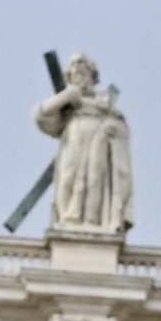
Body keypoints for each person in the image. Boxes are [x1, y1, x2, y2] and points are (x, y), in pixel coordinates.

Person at [36, 53, 133, 234]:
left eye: (85, 72)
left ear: (93, 77)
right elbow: (40, 115)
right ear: (69, 77)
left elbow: (120, 125)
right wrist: (65, 96)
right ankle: (67, 218)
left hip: (99, 141)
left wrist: (112, 126)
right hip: (73, 140)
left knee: (95, 179)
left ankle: (92, 221)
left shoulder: (104, 103)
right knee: (67, 177)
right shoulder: (68, 102)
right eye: (75, 72)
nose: (80, 75)